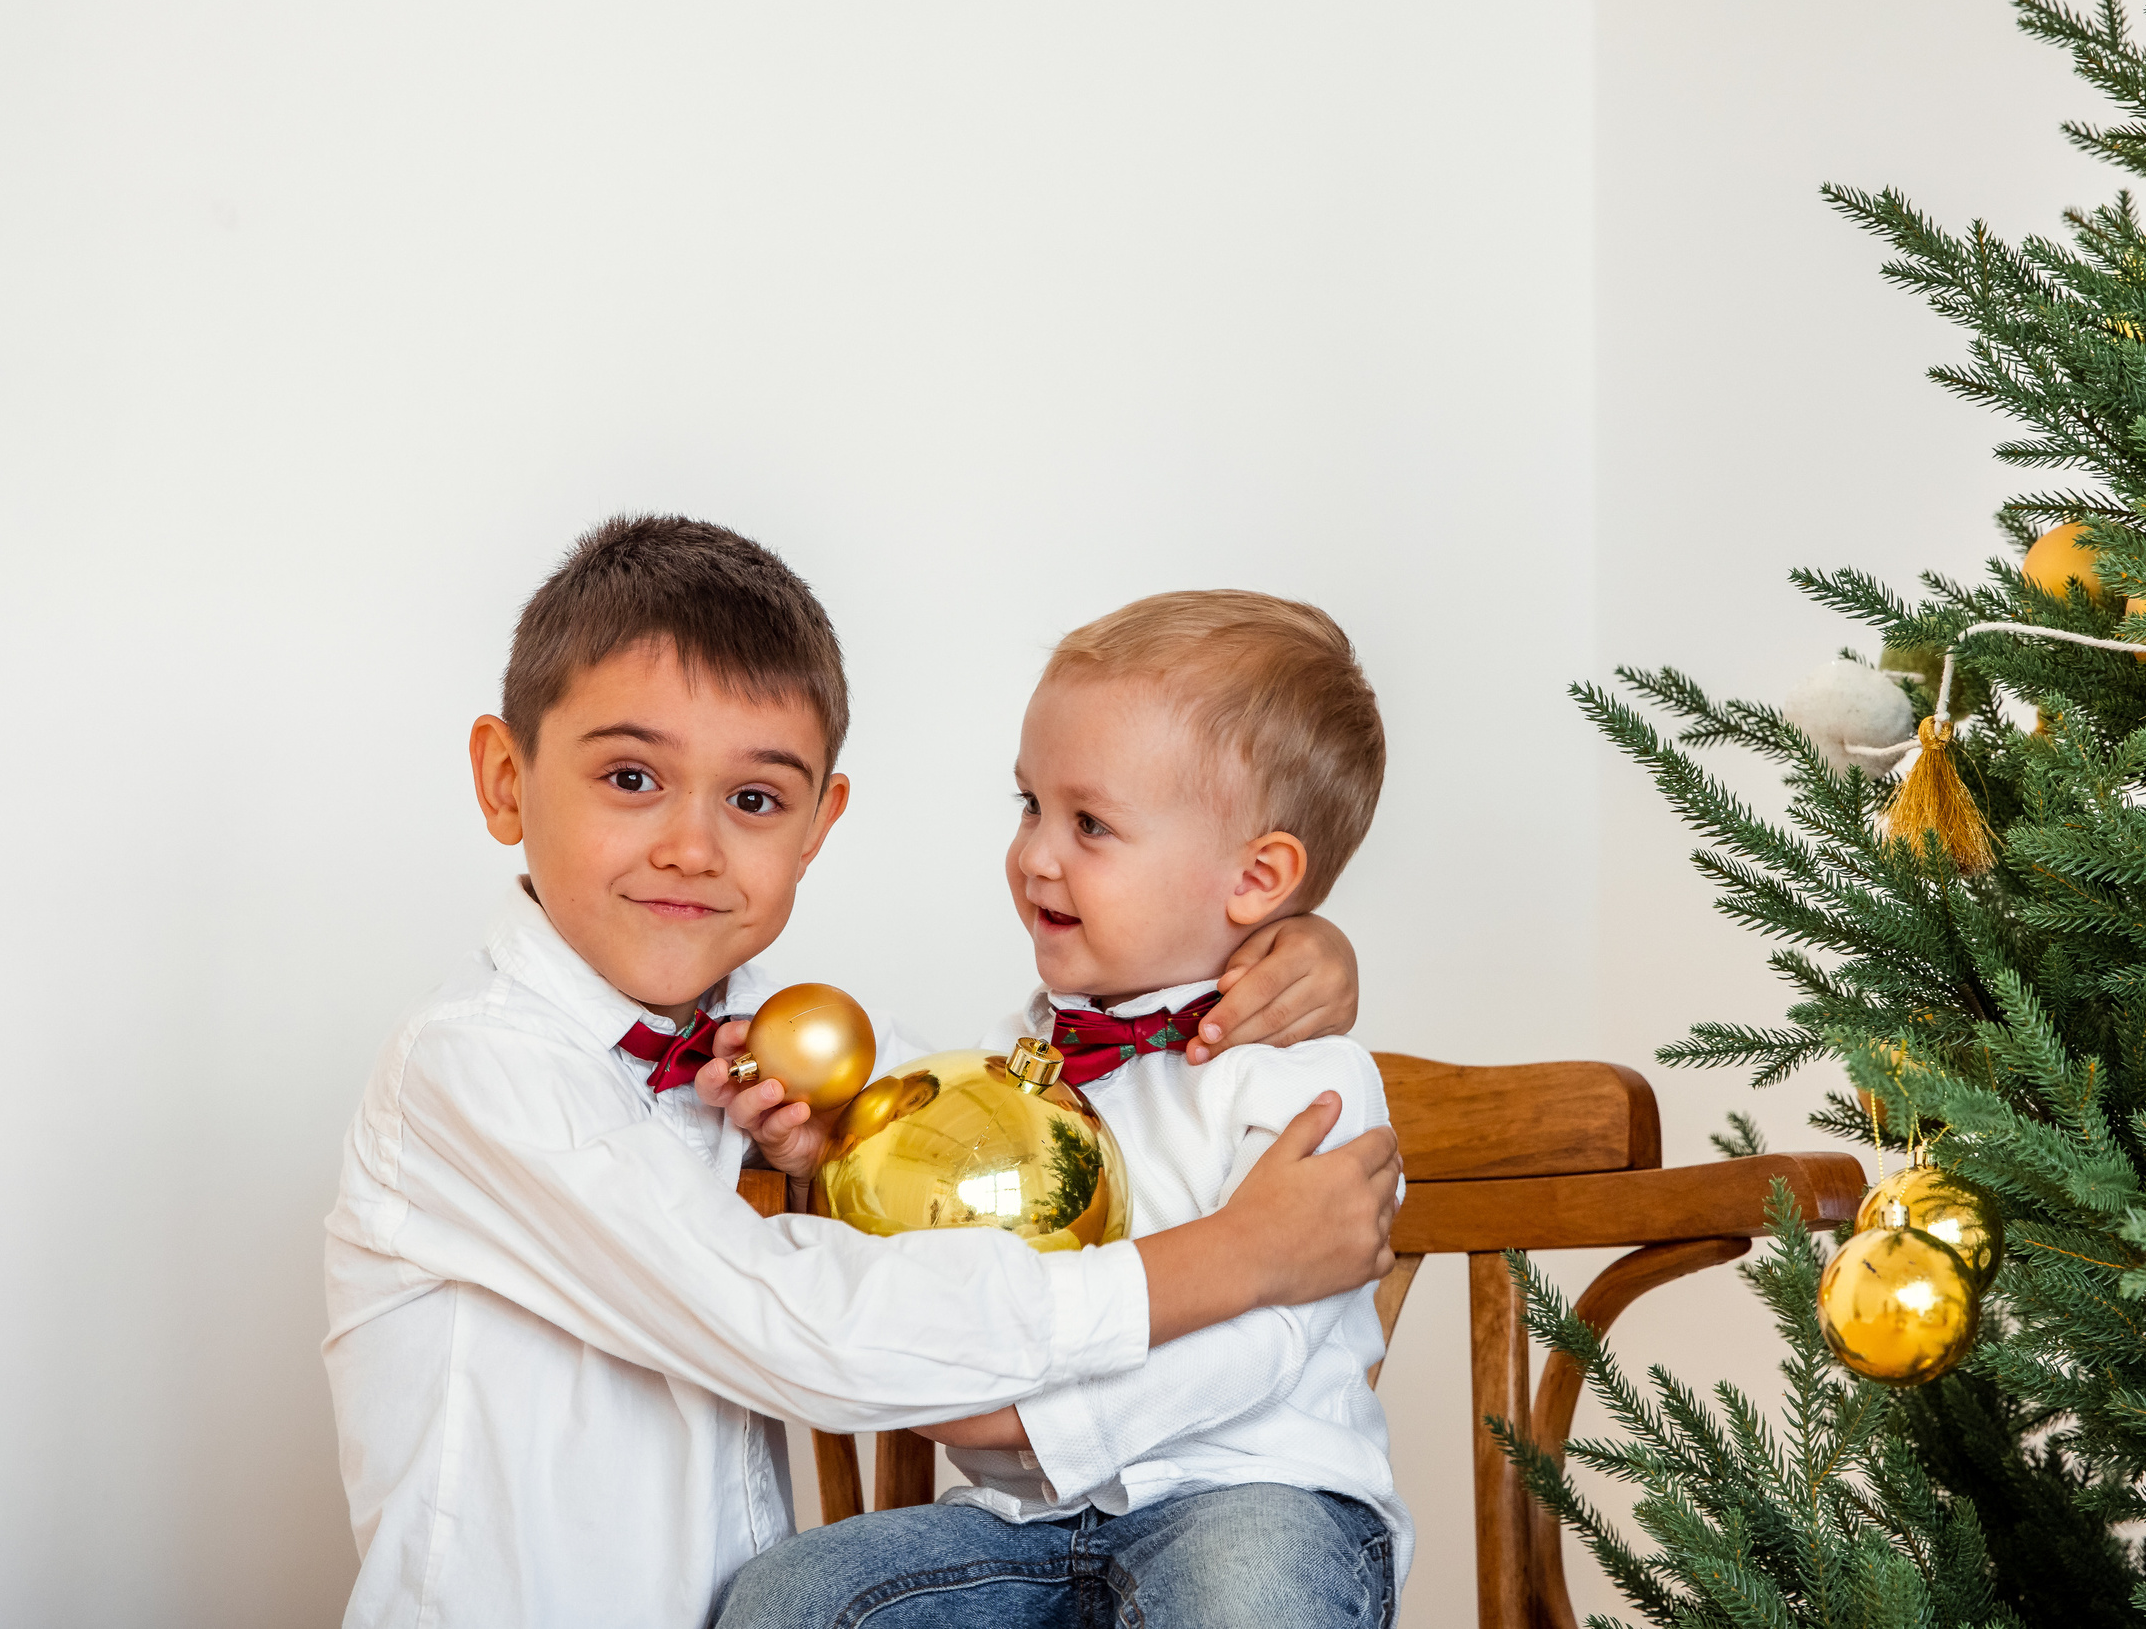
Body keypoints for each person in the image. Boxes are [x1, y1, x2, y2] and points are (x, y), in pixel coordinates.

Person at [322, 519, 1402, 1629]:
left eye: (752, 800)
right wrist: (1230, 1259)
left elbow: (940, 1155)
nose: (691, 847)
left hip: (1229, 1501)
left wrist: (826, 1147)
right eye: (632, 776)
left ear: (815, 826)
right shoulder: (472, 1070)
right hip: (999, 1520)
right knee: (794, 1600)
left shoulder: (773, 1042)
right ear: (508, 781)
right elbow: (800, 1323)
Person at [719, 589, 1407, 1629]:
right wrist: (833, 1154)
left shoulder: (1301, 1075)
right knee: (795, 1598)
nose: (1037, 853)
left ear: (1257, 877)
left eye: (1090, 823)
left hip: (1249, 1494)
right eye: (1029, 805)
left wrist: (1045, 1428)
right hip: (1021, 1522)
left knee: (1246, 1604)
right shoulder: (1020, 1064)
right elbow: (950, 1254)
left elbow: (1262, 1340)